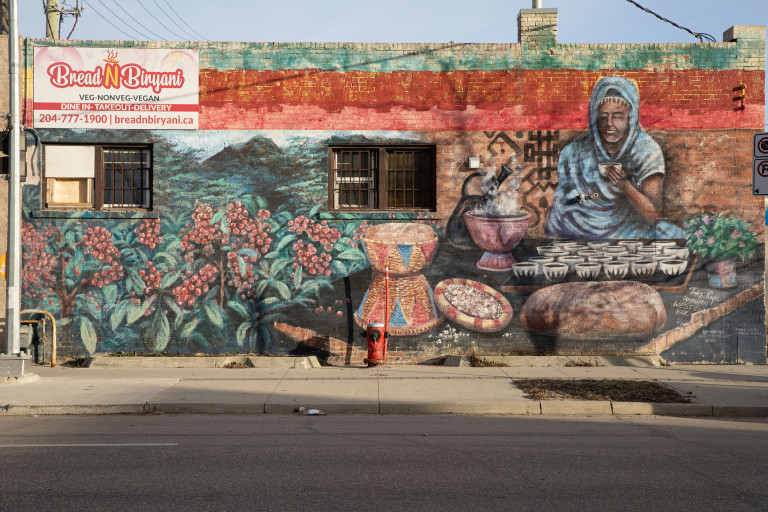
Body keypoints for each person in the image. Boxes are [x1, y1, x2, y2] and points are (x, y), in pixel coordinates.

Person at [545, 76, 683, 239]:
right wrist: (592, 196)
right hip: (582, 231)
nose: (609, 123)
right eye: (603, 116)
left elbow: (652, 215)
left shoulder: (646, 150)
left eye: (618, 116)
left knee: (675, 237)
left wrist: (625, 186)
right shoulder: (574, 152)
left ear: (630, 119)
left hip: (632, 232)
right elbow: (566, 205)